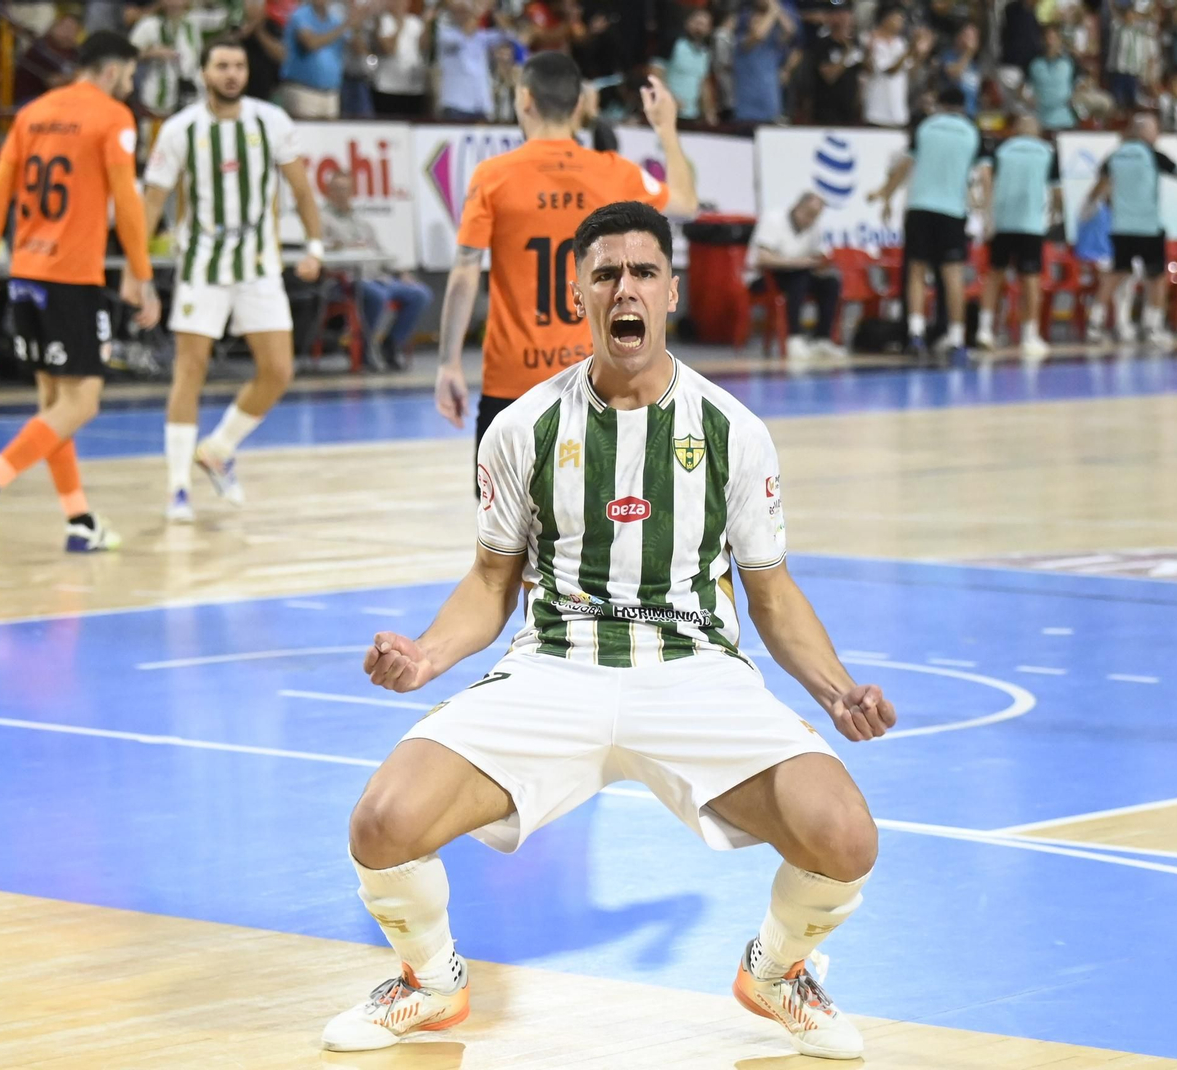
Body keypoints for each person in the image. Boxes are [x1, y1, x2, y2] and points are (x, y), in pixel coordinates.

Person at [320, 200, 892, 1059]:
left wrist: (837, 689)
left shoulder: (734, 431)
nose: (626, 288)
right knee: (382, 822)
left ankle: (776, 970)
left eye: (644, 273)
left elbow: (770, 594)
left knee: (845, 837)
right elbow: (489, 582)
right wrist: (427, 654)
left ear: (671, 292)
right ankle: (430, 981)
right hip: (557, 667)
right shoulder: (523, 428)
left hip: (695, 673)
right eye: (606, 274)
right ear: (578, 293)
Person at [433, 52, 696, 489]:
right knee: (595, 534)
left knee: (500, 542)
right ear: (579, 105)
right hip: (593, 383)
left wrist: (449, 364)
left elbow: (464, 272)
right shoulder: (614, 173)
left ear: (524, 100)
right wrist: (665, 128)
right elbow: (686, 203)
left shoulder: (493, 176)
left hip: (511, 383)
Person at [0, 32, 161, 557]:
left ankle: (80, 519)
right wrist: (140, 273)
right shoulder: (113, 116)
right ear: (114, 71)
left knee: (55, 406)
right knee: (83, 401)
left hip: (26, 271)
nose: (130, 86)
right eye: (131, 75)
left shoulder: (34, 113)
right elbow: (127, 201)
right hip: (71, 277)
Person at [141, 39, 324, 523]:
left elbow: (301, 189)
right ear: (203, 73)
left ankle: (218, 448)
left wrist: (314, 247)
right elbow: (154, 200)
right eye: (221, 65)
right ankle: (177, 487)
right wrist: (139, 269)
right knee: (190, 369)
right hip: (202, 265)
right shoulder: (180, 130)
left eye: (238, 65)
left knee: (278, 371)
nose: (231, 73)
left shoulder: (270, 121)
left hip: (259, 265)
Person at [869, 86, 982, 363]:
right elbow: (978, 176)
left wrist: (884, 193)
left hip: (920, 207)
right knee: (952, 276)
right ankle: (957, 340)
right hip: (952, 211)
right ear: (962, 107)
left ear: (939, 105)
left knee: (917, 271)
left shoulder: (926, 128)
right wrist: (981, 206)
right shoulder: (971, 133)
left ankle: (916, 334)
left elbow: (905, 166)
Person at [1080, 112, 1177, 348]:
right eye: (1155, 129)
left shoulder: (1114, 156)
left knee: (1116, 273)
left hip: (1121, 226)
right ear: (1144, 132)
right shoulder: (1153, 156)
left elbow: (1100, 188)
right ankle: (1152, 326)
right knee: (1156, 277)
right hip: (1148, 226)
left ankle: (1095, 324)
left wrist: (1088, 209)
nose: (1157, 135)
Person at [321, 169, 431, 371]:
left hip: (377, 277)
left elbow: (380, 254)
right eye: (336, 189)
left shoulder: (363, 223)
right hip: (346, 280)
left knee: (420, 293)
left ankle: (391, 344)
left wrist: (400, 273)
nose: (341, 194)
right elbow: (320, 255)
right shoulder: (322, 220)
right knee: (378, 296)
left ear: (352, 192)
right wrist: (339, 248)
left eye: (345, 189)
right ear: (328, 192)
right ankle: (363, 350)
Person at [977, 113, 1060, 359]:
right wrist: (1056, 215)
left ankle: (984, 330)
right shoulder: (1047, 152)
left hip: (1003, 223)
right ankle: (1029, 335)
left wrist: (988, 214)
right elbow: (1057, 191)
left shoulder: (1001, 150)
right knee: (1030, 280)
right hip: (1031, 225)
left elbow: (986, 179)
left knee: (994, 276)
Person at [747, 191, 848, 364]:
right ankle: (794, 338)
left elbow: (819, 255)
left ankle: (822, 339)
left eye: (815, 216)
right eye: (808, 214)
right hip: (763, 277)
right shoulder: (774, 220)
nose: (811, 219)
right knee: (798, 277)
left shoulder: (814, 227)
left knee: (830, 282)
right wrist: (799, 262)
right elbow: (762, 258)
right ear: (797, 206)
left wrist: (821, 264)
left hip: (800, 275)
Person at [131, 0, 229, 117]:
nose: (175, 3)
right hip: (158, 102)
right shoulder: (150, 24)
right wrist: (152, 53)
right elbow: (128, 54)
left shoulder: (195, 22)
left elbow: (225, 19)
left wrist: (207, 3)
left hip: (193, 96)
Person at [281, 0, 363, 119]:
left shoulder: (335, 19)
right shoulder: (300, 15)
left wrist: (356, 27)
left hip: (331, 93)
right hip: (303, 91)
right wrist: (345, 26)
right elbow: (310, 43)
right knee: (306, 135)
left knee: (330, 136)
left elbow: (359, 50)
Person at [435, 0, 499, 121]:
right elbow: (465, 33)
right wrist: (478, 12)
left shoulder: (482, 36)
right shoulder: (445, 34)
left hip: (480, 106)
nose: (462, 16)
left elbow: (509, 37)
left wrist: (495, 13)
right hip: (455, 105)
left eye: (465, 12)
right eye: (458, 12)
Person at [732, 0, 794, 125]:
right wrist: (773, 10)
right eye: (756, 19)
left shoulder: (773, 45)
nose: (761, 22)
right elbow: (758, 35)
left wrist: (775, 6)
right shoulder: (741, 41)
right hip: (747, 110)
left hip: (770, 107)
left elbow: (790, 30)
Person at [651, 6, 716, 123]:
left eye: (704, 25)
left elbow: (703, 84)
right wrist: (668, 98)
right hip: (666, 112)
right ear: (687, 23)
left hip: (691, 115)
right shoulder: (672, 43)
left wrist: (709, 112)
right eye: (697, 23)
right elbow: (655, 73)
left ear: (709, 29)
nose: (699, 28)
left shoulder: (706, 54)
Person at [806, 7, 861, 126]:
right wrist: (846, 53)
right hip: (826, 110)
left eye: (848, 15)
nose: (845, 19)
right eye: (840, 15)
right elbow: (829, 76)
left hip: (849, 110)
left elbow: (860, 76)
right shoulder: (822, 44)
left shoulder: (856, 43)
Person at [372, 0, 428, 116]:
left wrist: (427, 24)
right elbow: (389, 50)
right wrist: (399, 28)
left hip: (412, 87)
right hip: (388, 87)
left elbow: (423, 48)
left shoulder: (415, 22)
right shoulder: (384, 21)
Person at [862, 4, 912, 129]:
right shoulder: (868, 39)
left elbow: (909, 72)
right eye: (898, 19)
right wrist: (911, 50)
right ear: (886, 18)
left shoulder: (901, 43)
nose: (902, 23)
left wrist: (919, 54)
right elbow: (889, 70)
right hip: (876, 110)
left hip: (898, 111)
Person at [14, 14, 81, 103]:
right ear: (54, 27)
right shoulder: (39, 47)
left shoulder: (76, 54)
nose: (66, 32)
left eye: (72, 30)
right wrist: (70, 78)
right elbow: (52, 82)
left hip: (63, 100)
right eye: (64, 27)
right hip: (31, 99)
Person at [1028, 25, 1078, 133]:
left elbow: (1082, 83)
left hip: (1065, 121)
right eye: (1047, 38)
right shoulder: (1035, 64)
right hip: (1041, 122)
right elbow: (1025, 88)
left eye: (1054, 38)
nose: (1050, 42)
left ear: (1060, 41)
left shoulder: (1069, 63)